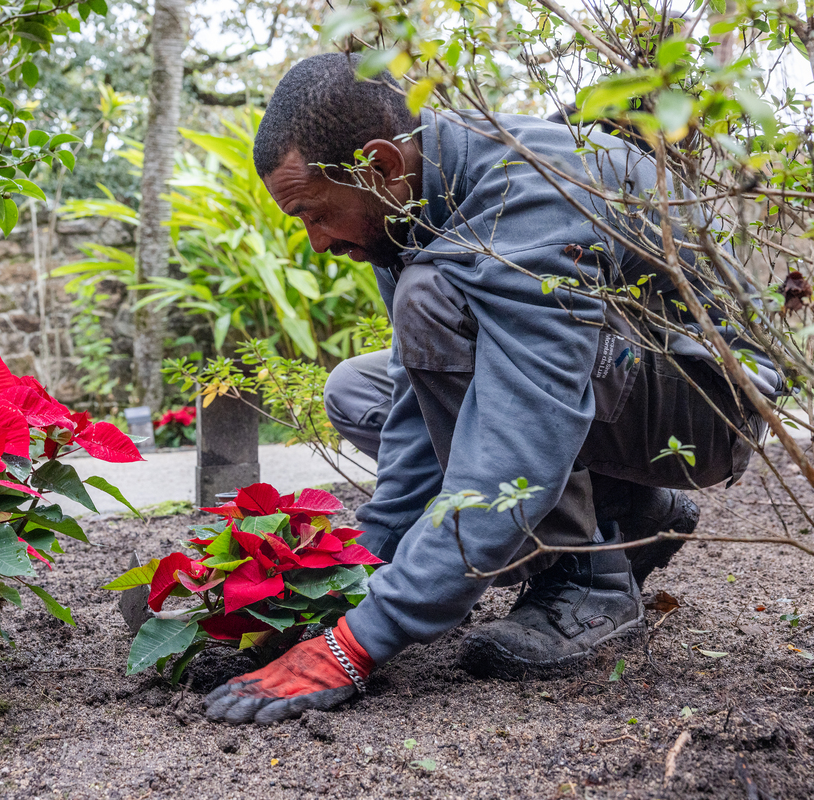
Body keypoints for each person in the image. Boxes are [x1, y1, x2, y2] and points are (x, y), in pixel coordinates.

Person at [203, 53, 777, 726]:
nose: (317, 242)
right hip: (622, 391)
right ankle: (633, 515)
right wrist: (355, 576)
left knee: (438, 307)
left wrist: (353, 645)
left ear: (381, 164)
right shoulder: (413, 209)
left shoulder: (520, 197)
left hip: (710, 408)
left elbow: (519, 436)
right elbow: (420, 421)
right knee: (356, 391)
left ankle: (588, 580)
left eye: (315, 214)